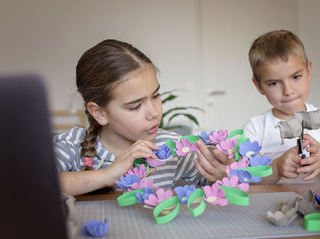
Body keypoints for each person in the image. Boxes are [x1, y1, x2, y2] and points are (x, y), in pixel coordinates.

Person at [54, 39, 230, 196]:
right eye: (135, 106)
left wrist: (223, 173)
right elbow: (32, 185)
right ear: (99, 113)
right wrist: (107, 175)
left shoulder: (171, 149)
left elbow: (218, 182)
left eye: (155, 96)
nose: (154, 112)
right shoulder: (72, 145)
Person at [243, 30, 320, 184]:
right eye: (274, 83)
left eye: (296, 77)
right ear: (259, 85)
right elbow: (249, 179)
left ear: (309, 71)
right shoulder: (255, 128)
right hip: (271, 207)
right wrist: (276, 168)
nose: (288, 91)